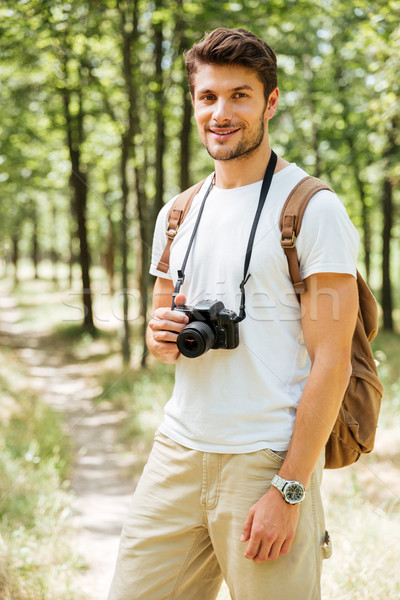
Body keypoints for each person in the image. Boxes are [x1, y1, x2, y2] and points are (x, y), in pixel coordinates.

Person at [108, 27, 359, 600]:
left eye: (239, 95)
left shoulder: (310, 209)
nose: (220, 113)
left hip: (264, 459)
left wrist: (289, 489)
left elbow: (333, 360)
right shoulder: (177, 214)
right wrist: (161, 335)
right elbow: (159, 338)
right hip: (176, 451)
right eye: (207, 97)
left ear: (270, 101)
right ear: (194, 103)